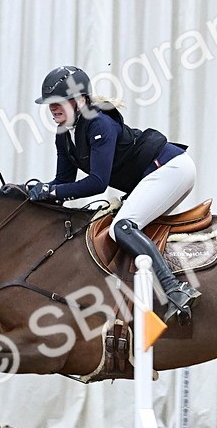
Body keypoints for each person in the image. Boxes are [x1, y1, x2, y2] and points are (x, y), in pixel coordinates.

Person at [29, 65, 201, 325]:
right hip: (151, 176)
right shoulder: (64, 135)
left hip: (171, 169)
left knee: (122, 227)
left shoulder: (99, 124)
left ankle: (174, 288)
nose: (52, 109)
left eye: (58, 102)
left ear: (80, 100)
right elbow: (63, 182)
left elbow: (98, 183)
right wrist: (30, 193)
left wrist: (49, 191)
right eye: (49, 104)